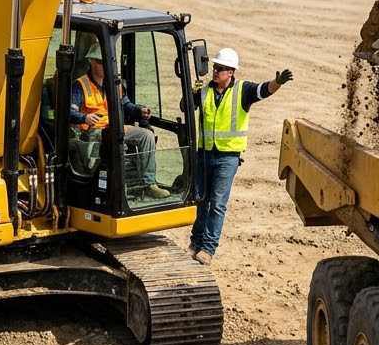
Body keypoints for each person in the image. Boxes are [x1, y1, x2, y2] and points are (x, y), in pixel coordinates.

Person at [189, 47, 293, 265]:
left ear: (231, 72)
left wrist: (278, 83)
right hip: (204, 154)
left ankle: (208, 249)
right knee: (201, 201)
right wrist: (191, 93)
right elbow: (184, 108)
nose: (215, 72)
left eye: (221, 69)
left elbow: (263, 90)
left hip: (227, 157)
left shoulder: (241, 90)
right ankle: (196, 242)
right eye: (215, 68)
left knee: (217, 204)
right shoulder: (205, 90)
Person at [69, 43, 168, 199]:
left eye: (108, 62)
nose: (105, 66)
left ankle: (149, 184)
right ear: (91, 62)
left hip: (114, 128)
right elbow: (69, 112)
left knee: (146, 135)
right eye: (101, 62)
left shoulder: (115, 84)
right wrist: (85, 117)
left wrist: (140, 110)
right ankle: (119, 187)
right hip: (91, 133)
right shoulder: (80, 85)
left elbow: (126, 105)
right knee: (116, 141)